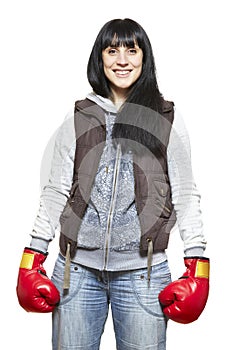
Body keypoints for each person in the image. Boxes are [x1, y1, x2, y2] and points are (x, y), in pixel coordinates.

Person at [16, 18, 209, 350]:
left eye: (132, 50)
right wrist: (32, 255)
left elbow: (186, 195)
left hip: (143, 275)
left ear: (144, 58)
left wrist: (198, 264)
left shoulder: (165, 119)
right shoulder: (79, 116)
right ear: (100, 57)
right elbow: (56, 190)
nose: (122, 60)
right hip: (74, 273)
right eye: (112, 50)